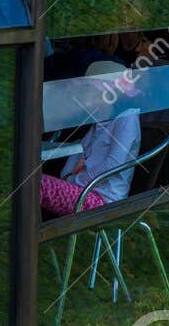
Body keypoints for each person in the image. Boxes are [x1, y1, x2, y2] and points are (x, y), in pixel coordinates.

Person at [39, 60, 143, 216]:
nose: (85, 98)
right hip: (83, 191)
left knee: (36, 184)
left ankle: (28, 237)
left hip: (103, 199)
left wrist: (75, 181)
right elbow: (80, 153)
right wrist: (67, 177)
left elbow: (113, 164)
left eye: (90, 91)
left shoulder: (127, 118)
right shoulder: (100, 120)